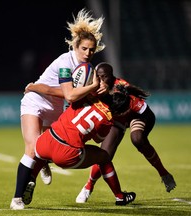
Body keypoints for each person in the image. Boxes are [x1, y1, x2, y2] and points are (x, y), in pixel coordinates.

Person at [10, 8, 108, 210]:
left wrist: (100, 89)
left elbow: (75, 96)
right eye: (84, 49)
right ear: (75, 46)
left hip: (56, 108)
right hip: (36, 101)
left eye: (91, 50)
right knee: (32, 149)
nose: (88, 53)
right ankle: (17, 199)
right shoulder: (66, 62)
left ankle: (43, 162)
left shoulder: (88, 68)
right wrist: (92, 87)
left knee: (49, 149)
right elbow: (71, 94)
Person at [75, 62, 177, 204]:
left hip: (133, 115)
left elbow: (147, 114)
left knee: (137, 139)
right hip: (116, 119)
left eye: (104, 77)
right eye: (98, 77)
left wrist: (143, 135)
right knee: (104, 156)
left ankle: (163, 173)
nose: (101, 80)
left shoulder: (123, 90)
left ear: (112, 77)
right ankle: (88, 187)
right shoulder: (94, 87)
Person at [23, 92, 136, 206]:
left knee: (43, 153)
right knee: (104, 157)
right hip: (66, 154)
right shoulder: (108, 119)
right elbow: (98, 139)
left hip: (46, 140)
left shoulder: (87, 97)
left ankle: (32, 177)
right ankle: (120, 197)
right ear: (119, 111)